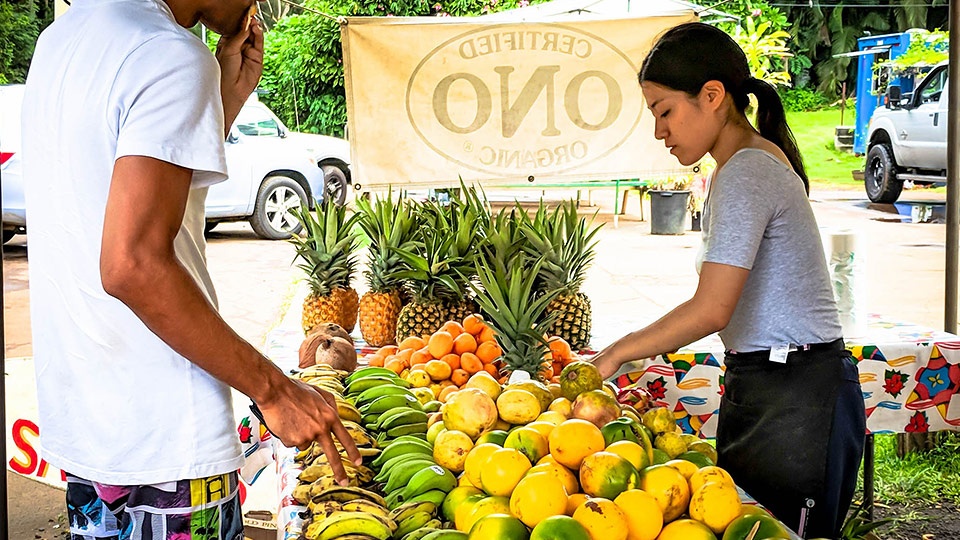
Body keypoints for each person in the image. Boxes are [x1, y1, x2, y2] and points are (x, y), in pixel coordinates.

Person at [20, 1, 360, 538]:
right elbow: (131, 265)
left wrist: (222, 97)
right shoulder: (168, 54)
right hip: (168, 439)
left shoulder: (62, 39)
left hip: (90, 429)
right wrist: (274, 389)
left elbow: (127, 194)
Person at [591, 22, 865, 538]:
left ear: (712, 95)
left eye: (664, 111)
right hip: (769, 387)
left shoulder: (746, 171)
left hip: (796, 400)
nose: (659, 132)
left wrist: (618, 352)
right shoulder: (735, 169)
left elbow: (712, 308)